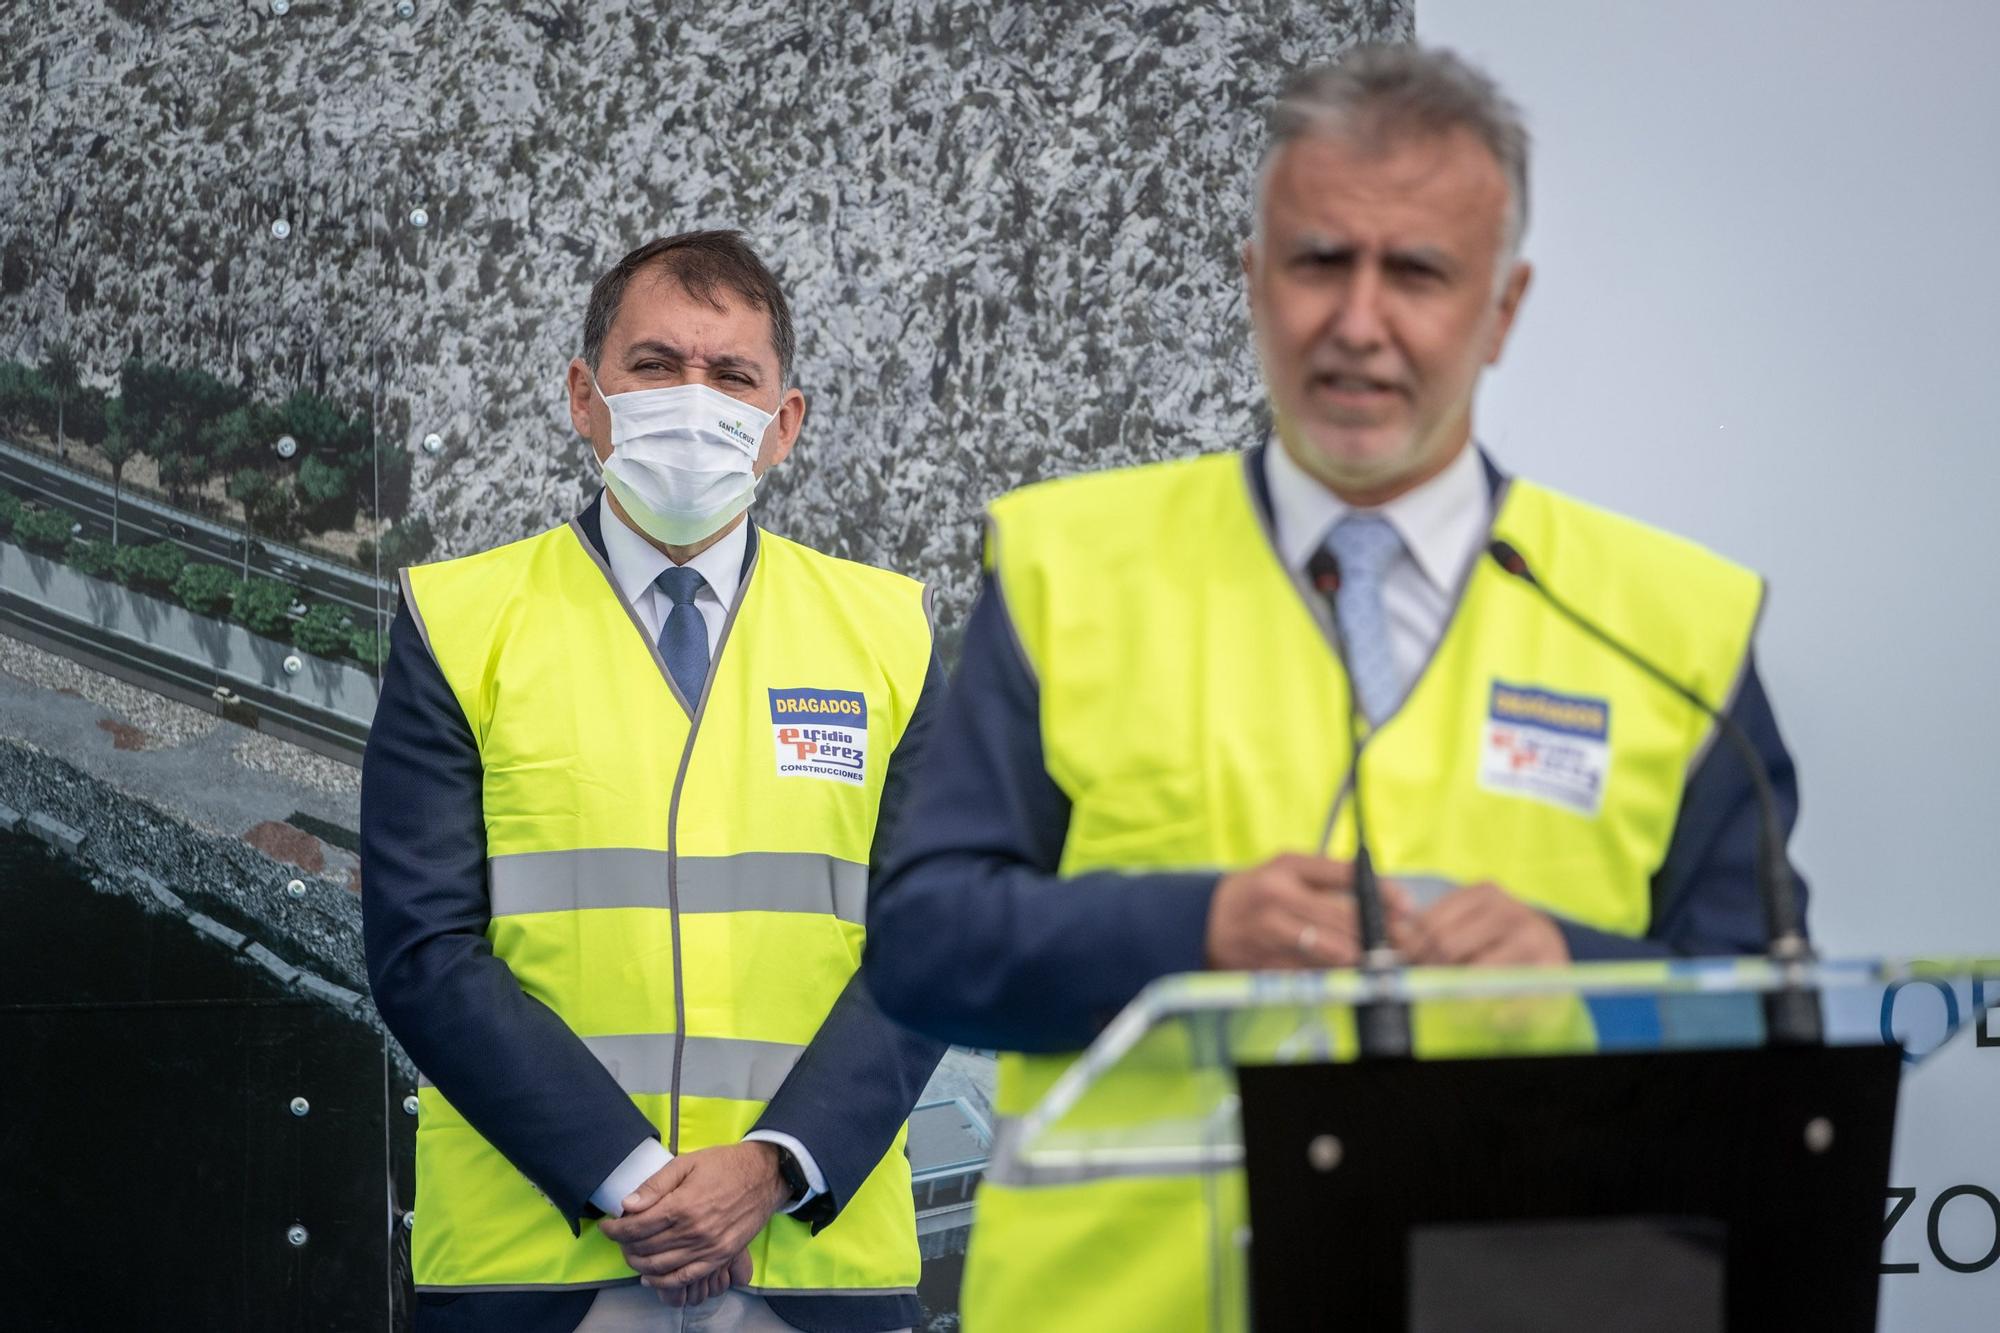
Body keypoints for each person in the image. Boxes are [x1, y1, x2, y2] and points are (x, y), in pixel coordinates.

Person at [862, 44, 1809, 1332]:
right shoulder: (1066, 569)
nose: (1357, 320)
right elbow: (924, 945)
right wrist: (1192, 935)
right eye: (1318, 260)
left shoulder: (1666, 624)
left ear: (1500, 308)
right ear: (1254, 279)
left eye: (1415, 271)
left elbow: (1770, 1020)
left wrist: (1567, 977)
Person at [362, 230, 945, 1333]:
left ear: (783, 426)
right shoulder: (460, 621)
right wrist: (628, 1175)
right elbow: (422, 949)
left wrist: (774, 1167)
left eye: (731, 376)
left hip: (806, 1266)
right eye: (654, 365)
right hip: (538, 1263)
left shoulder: (891, 633)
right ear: (584, 397)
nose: (693, 399)